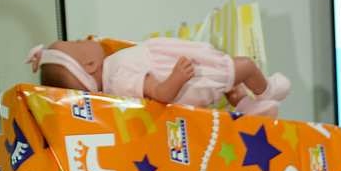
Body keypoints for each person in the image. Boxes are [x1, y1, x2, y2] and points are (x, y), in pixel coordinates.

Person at [26, 38, 290, 115]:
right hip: (191, 82)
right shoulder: (117, 78)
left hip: (190, 75)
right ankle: (268, 90)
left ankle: (248, 108)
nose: (83, 39)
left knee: (230, 83)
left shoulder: (113, 69)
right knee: (243, 67)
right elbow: (160, 93)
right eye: (77, 43)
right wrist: (178, 76)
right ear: (90, 63)